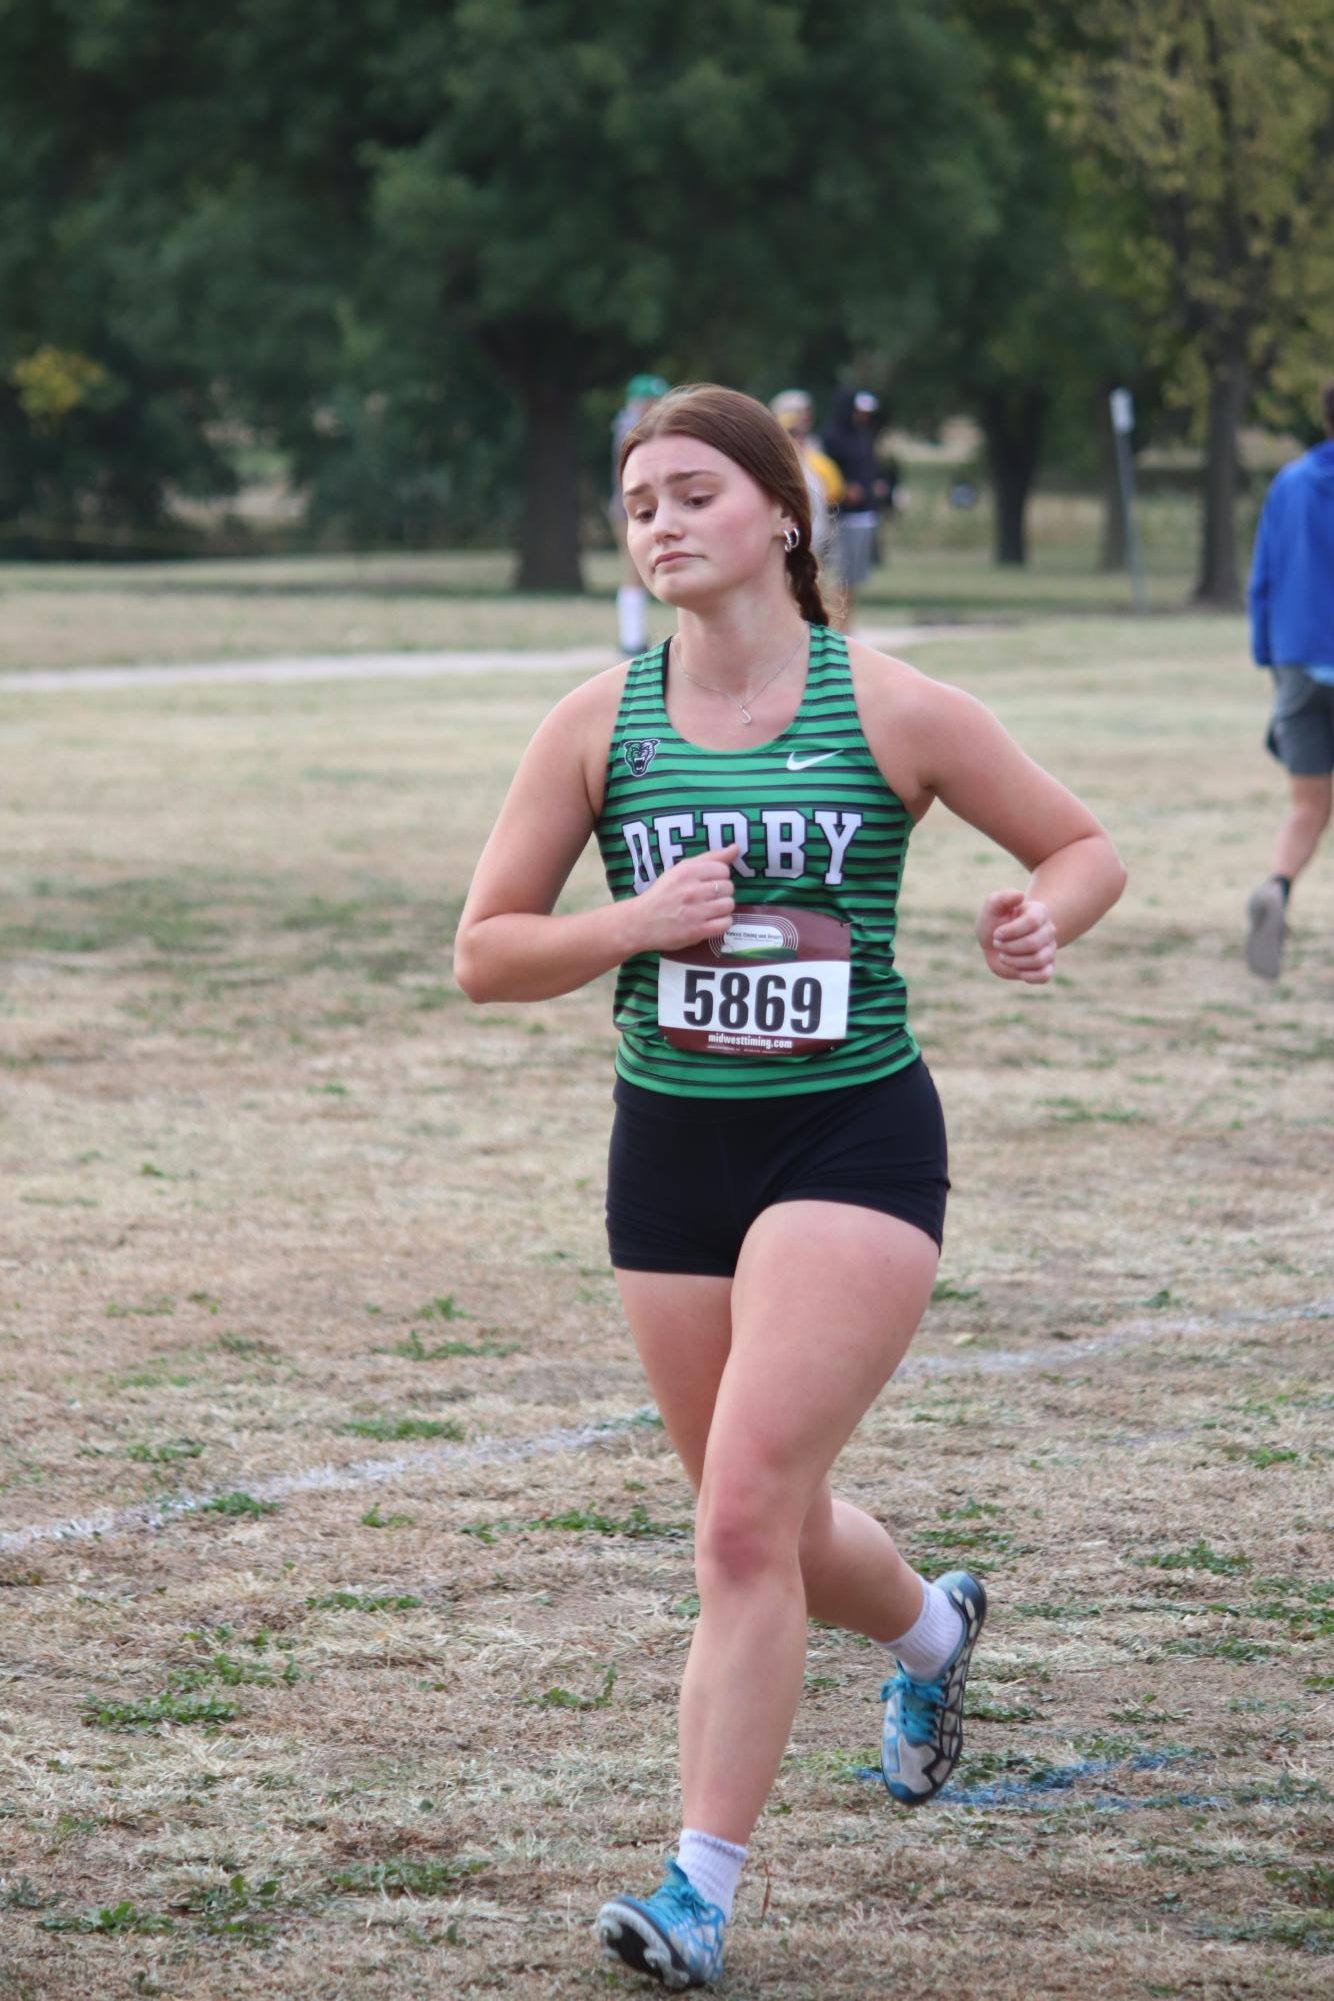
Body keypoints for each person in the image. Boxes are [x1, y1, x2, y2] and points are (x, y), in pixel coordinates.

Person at [453, 383, 1126, 1992]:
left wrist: (1046, 919)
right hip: (672, 1155)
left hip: (851, 1144)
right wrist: (629, 925)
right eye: (636, 506)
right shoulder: (593, 726)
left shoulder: (892, 708)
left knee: (743, 1512)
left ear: (781, 514)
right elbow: (484, 953)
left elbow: (1082, 847)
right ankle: (932, 1634)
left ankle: (695, 1890)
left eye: (692, 492)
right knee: (759, 1521)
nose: (661, 523)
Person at [1245, 380, 1334, 979]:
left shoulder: (1293, 482)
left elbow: (1264, 576)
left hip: (1299, 660)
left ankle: (1276, 886)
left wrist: (1270, 658)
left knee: (1308, 805)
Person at [822, 385, 899, 630]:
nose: (863, 416)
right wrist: (846, 489)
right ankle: (835, 626)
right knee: (841, 575)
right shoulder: (831, 438)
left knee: (854, 577)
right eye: (858, 410)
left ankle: (847, 625)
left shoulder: (863, 436)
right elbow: (827, 474)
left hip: (865, 514)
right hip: (843, 516)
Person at [611, 374, 671, 655]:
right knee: (634, 574)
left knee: (638, 574)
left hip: (637, 507)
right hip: (633, 508)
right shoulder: (633, 429)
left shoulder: (636, 427)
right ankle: (631, 639)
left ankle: (633, 637)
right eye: (653, 400)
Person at [769, 388, 844, 569]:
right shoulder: (773, 451)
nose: (804, 418)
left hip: (813, 526)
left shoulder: (814, 451)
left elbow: (834, 490)